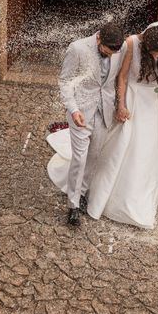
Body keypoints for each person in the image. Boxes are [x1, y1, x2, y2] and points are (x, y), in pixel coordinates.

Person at [85, 22, 158, 229]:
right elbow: (121, 76)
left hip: (155, 102)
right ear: (145, 42)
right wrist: (120, 105)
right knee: (127, 142)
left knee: (151, 146)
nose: (157, 57)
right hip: (134, 96)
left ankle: (150, 185)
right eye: (153, 52)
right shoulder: (132, 43)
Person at [48, 23, 126, 226]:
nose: (109, 57)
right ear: (99, 39)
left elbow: (116, 77)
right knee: (80, 158)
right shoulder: (77, 48)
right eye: (106, 52)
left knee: (94, 154)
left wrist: (119, 104)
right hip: (81, 111)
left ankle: (82, 191)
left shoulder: (122, 47)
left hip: (105, 110)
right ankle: (73, 205)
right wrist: (73, 109)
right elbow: (65, 81)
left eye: (112, 54)